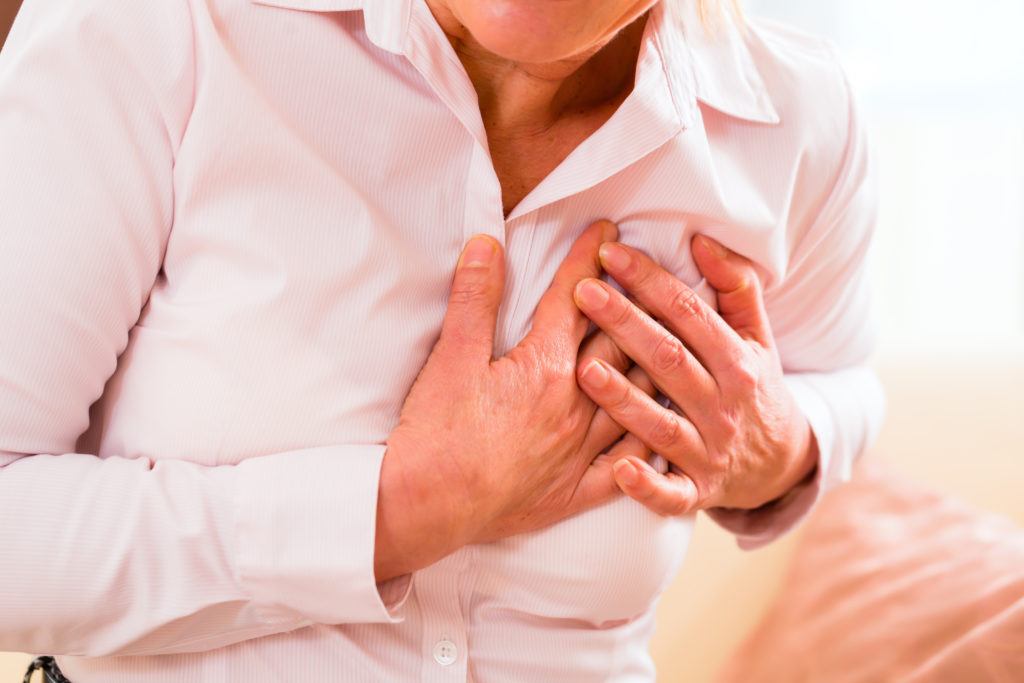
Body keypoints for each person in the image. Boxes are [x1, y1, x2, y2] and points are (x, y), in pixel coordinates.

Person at [0, 0, 884, 680]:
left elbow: (841, 380)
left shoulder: (795, 118)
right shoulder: (158, 29)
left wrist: (776, 448)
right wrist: (406, 506)